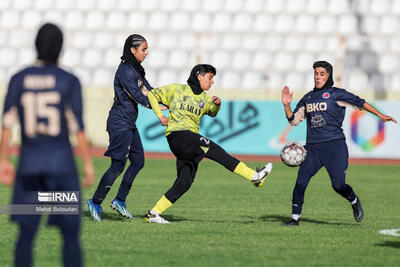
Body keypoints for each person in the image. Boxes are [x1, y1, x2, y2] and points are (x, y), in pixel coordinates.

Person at [0, 23, 94, 267]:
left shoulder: (19, 79)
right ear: (61, 47)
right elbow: (77, 127)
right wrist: (87, 163)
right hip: (61, 169)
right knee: (70, 236)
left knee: (25, 235)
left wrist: (3, 160)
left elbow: (7, 123)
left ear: (36, 45)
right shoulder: (69, 80)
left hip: (29, 168)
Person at [143, 64, 273, 224]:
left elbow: (212, 112)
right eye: (210, 78)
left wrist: (217, 105)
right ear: (199, 76)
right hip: (179, 136)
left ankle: (154, 213)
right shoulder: (177, 89)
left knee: (184, 182)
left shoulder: (204, 99)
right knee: (218, 152)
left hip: (188, 142)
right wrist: (160, 116)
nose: (212, 82)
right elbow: (152, 95)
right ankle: (255, 176)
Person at [281, 60, 397, 226]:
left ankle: (354, 200)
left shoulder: (336, 94)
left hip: (335, 146)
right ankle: (294, 219)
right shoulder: (308, 98)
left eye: (322, 73)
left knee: (338, 185)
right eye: (316, 73)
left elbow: (360, 102)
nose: (318, 77)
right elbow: (293, 120)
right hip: (313, 148)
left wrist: (380, 115)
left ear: (329, 76)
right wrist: (286, 105)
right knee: (301, 181)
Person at [86, 34, 161, 221]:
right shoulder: (126, 71)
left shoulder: (136, 69)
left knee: (138, 161)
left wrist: (164, 98)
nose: (146, 52)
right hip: (119, 123)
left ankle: (120, 200)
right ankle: (95, 201)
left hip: (128, 123)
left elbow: (149, 91)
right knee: (118, 165)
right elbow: (138, 95)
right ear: (132, 50)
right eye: (143, 49)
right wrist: (156, 106)